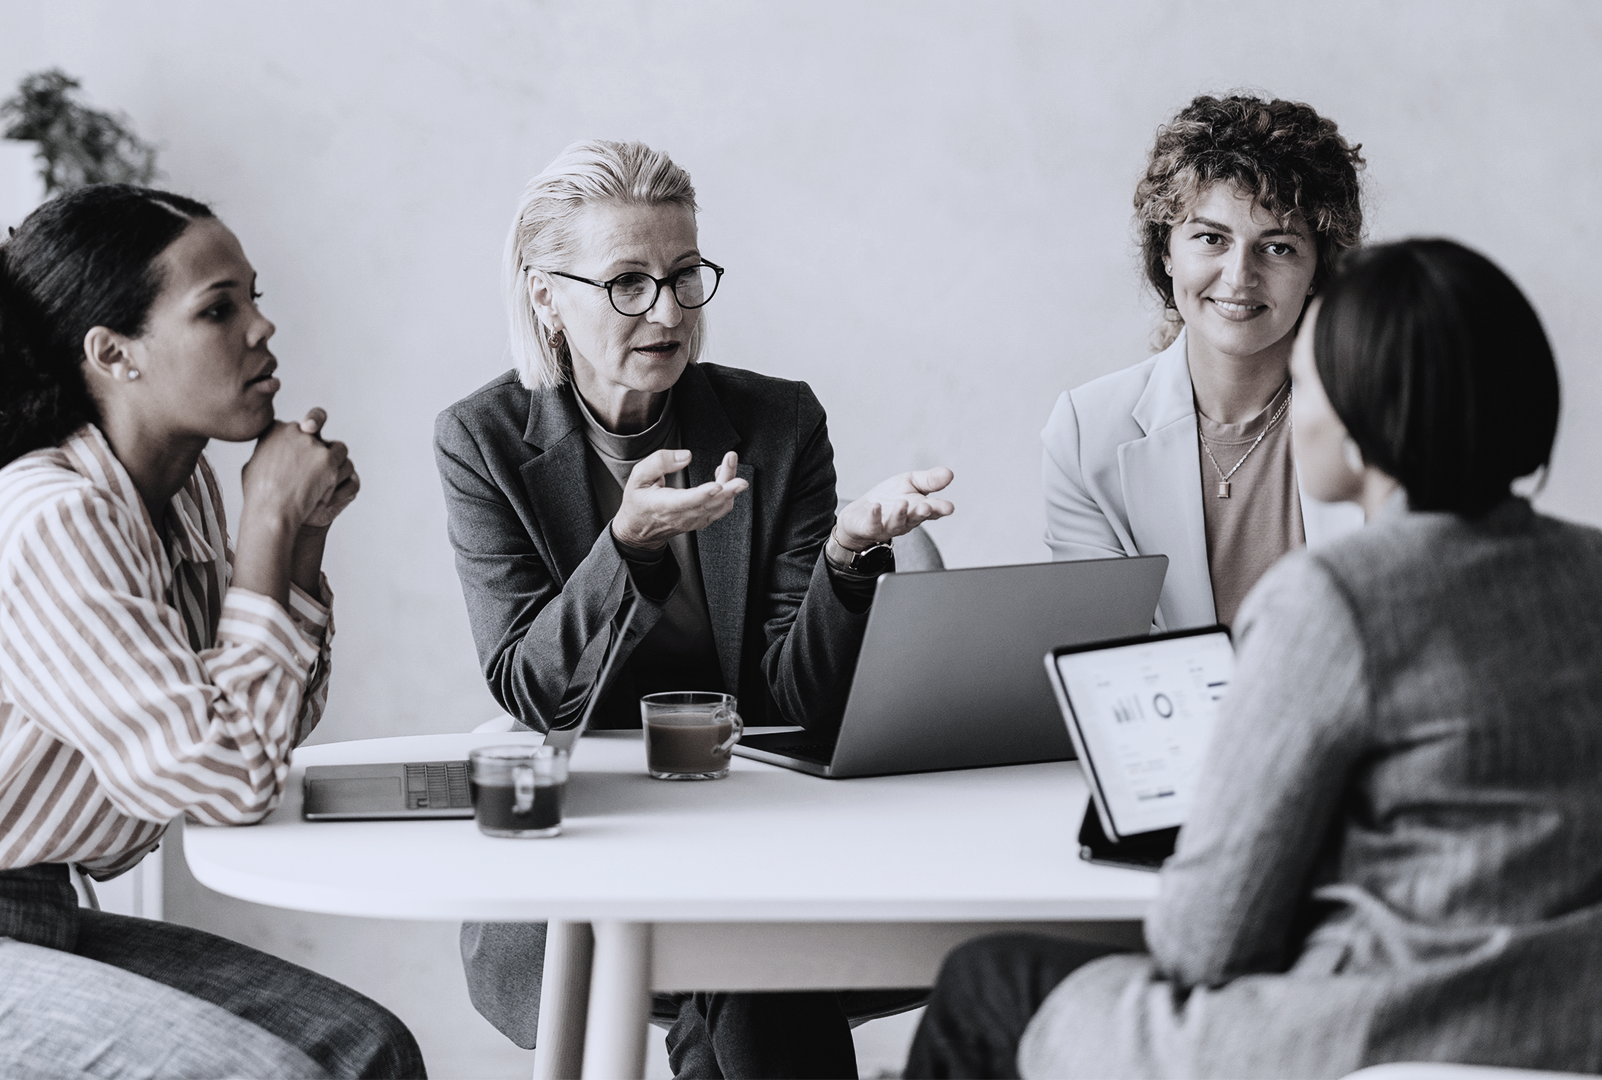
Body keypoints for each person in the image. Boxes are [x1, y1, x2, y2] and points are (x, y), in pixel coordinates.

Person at [0, 185, 425, 1080]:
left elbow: (262, 727)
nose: (261, 329)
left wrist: (296, 541)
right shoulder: (52, 518)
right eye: (219, 308)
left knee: (364, 1048)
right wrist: (267, 526)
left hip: (20, 920)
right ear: (113, 353)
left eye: (256, 298)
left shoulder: (180, 500)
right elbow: (231, 782)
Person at [904, 238, 1602, 1080]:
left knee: (989, 982)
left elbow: (1206, 939)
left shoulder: (1337, 597)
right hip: (1571, 1032)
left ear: (1358, 423)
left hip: (1381, 1032)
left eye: (1305, 382)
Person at [436, 140, 951, 1079]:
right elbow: (529, 687)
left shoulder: (777, 423)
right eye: (627, 283)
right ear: (546, 294)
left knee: (743, 942)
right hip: (596, 833)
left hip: (757, 818)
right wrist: (624, 547)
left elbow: (793, 694)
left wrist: (847, 556)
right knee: (750, 958)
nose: (668, 311)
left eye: (684, 276)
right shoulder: (484, 441)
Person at [1043, 94, 1368, 629]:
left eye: (1279, 247)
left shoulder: (1378, 414)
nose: (1240, 276)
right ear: (1166, 251)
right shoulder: (1085, 432)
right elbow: (1102, 659)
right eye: (1211, 238)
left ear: (1320, 268)